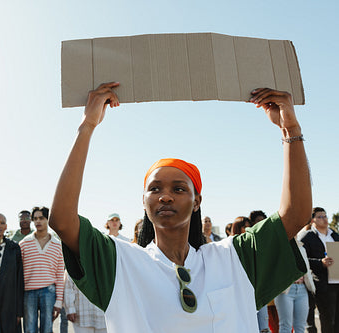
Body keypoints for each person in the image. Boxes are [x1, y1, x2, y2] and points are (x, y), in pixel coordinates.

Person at [48, 82, 311, 332]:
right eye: (155, 189)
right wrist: (87, 125)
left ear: (197, 202)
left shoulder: (234, 258)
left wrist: (290, 129)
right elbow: (61, 220)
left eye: (178, 189)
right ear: (144, 201)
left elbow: (296, 214)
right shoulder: (120, 263)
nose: (165, 197)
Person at [20, 206, 64, 333]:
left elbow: (60, 274)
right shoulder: (24, 244)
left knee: (47, 329)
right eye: (35, 219)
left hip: (49, 291)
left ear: (48, 220)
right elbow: (19, 273)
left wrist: (59, 301)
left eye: (41, 218)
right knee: (29, 329)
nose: (38, 221)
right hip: (28, 292)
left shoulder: (57, 245)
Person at [300, 207, 339, 333]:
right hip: (322, 284)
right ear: (312, 221)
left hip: (337, 280)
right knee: (328, 319)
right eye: (320, 217)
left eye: (325, 216)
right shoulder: (307, 237)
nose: (324, 219)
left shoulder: (335, 235)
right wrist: (320, 263)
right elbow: (303, 259)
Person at [274, 239, 316, 333]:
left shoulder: (301, 247)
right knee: (286, 326)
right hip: (285, 290)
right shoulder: (278, 245)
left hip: (302, 288)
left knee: (301, 327)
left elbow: (307, 268)